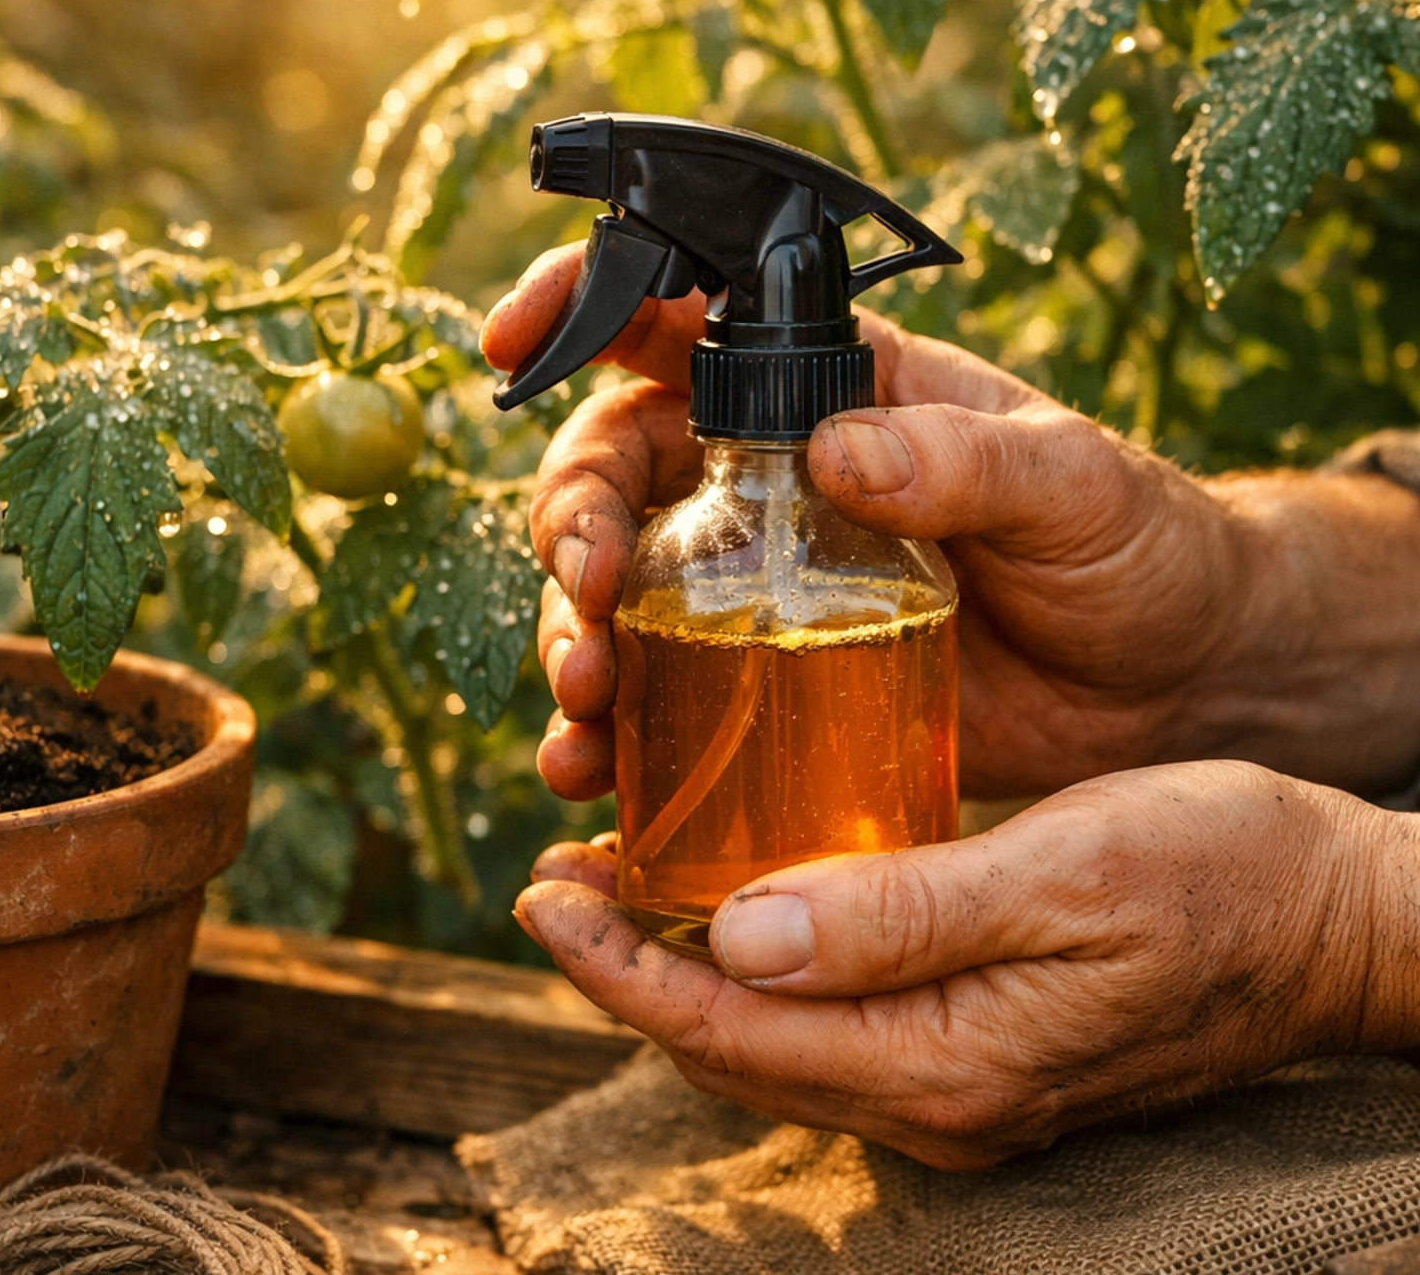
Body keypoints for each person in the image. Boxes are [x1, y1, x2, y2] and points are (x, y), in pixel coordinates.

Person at [481, 245, 1420, 1172]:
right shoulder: (677, 558)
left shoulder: (901, 561)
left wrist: (1356, 921)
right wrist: (1240, 618)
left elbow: (1354, 916)